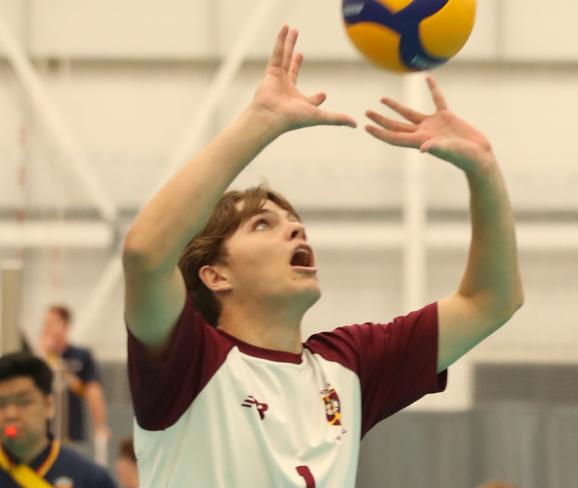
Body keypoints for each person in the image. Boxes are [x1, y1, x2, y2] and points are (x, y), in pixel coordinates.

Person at [122, 25, 523, 486]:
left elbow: (491, 301)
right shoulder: (186, 361)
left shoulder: (349, 366)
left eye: (294, 222)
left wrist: (485, 170)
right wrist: (261, 120)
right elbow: (145, 252)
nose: (293, 227)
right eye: (262, 225)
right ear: (215, 275)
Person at [0, 352, 116, 487]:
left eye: (23, 402)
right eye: (1, 404)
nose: (11, 414)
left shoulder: (90, 479)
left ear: (48, 405)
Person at [39, 305, 110, 447]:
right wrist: (43, 353)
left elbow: (91, 391)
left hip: (71, 431)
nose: (47, 327)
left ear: (65, 325)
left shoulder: (81, 356)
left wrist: (100, 425)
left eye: (52, 322)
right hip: (43, 432)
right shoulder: (38, 356)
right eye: (46, 323)